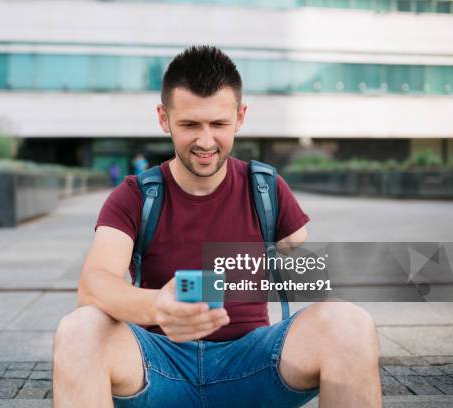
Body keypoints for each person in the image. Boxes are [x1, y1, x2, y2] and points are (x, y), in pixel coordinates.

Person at [53, 46, 381, 407]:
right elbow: (94, 284)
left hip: (254, 366)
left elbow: (310, 270)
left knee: (351, 323)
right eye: (190, 125)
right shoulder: (135, 196)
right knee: (79, 329)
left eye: (219, 124)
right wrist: (157, 306)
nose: (206, 141)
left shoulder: (266, 188)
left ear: (240, 117)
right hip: (158, 366)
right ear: (164, 119)